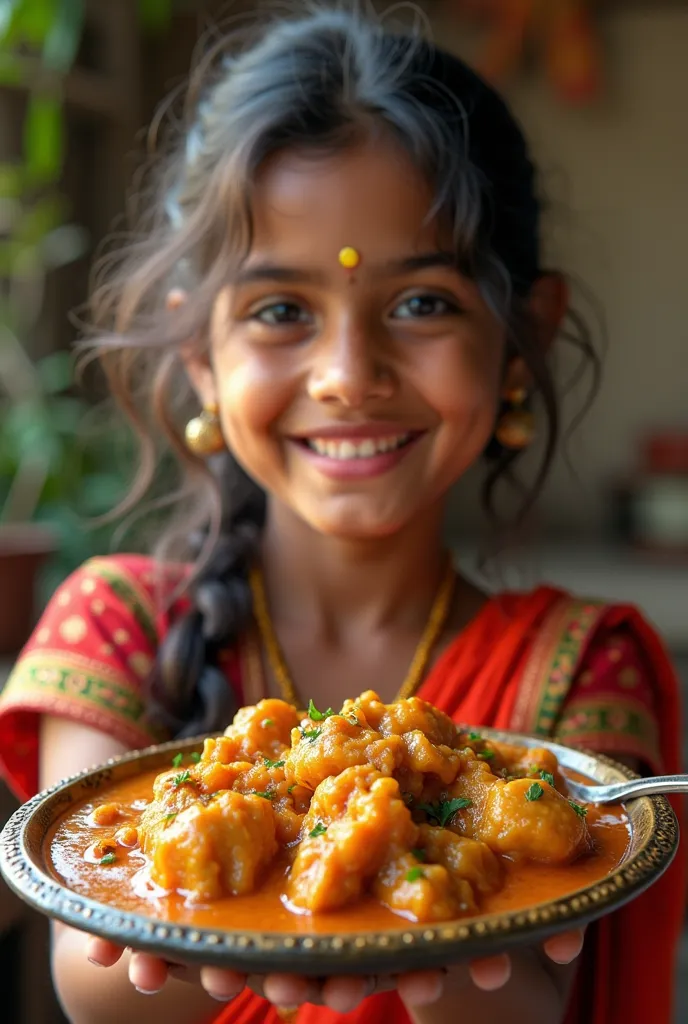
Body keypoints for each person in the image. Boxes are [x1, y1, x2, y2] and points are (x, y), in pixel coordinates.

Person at [0, 8, 683, 1024]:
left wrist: (408, 888)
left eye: (421, 305)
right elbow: (101, 980)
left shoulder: (576, 672)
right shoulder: (116, 626)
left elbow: (532, 998)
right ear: (202, 361)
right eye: (280, 310)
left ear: (520, 334)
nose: (347, 376)